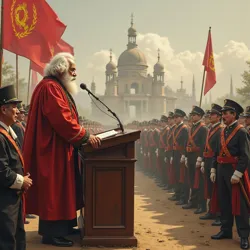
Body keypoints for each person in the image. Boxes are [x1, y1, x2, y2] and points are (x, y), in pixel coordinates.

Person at [22, 52, 101, 247]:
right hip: (51, 150)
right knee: (55, 191)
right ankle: (52, 234)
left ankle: (64, 226)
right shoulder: (50, 88)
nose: (75, 74)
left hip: (58, 146)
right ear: (61, 69)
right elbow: (62, 120)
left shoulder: (55, 86)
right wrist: (85, 136)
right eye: (72, 70)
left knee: (62, 189)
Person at [211, 99, 250, 250]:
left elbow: (245, 156)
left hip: (234, 171)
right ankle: (226, 230)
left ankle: (244, 235)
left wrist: (238, 173)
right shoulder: (222, 131)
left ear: (234, 114)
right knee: (224, 202)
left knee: (239, 205)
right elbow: (216, 152)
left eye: (226, 113)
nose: (223, 116)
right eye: (222, 113)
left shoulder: (241, 132)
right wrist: (214, 169)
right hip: (221, 170)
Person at [0, 85, 33, 250]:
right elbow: (2, 171)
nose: (17, 111)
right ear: (4, 109)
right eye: (14, 107)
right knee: (7, 241)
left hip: (13, 198)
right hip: (4, 201)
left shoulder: (7, 132)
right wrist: (22, 181)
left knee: (17, 238)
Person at [199, 104, 223, 226]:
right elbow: (205, 146)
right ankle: (211, 210)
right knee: (209, 186)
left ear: (219, 117)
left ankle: (219, 214)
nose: (210, 116)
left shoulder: (220, 129)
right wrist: (203, 160)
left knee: (216, 188)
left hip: (216, 162)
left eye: (213, 114)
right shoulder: (211, 128)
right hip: (208, 160)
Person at [183, 106, 208, 214]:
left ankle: (201, 205)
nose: (192, 117)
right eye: (191, 115)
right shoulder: (192, 127)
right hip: (191, 156)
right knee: (192, 180)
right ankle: (193, 201)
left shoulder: (203, 128)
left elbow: (204, 144)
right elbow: (187, 142)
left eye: (194, 115)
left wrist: (201, 157)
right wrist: (186, 156)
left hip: (198, 155)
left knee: (200, 182)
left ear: (200, 116)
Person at [172, 109, 189, 205]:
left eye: (177, 117)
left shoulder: (184, 129)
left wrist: (184, 155)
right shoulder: (176, 128)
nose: (175, 119)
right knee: (177, 175)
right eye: (174, 117)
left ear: (182, 118)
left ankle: (184, 197)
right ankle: (177, 194)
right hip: (175, 153)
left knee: (183, 177)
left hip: (181, 154)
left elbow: (186, 143)